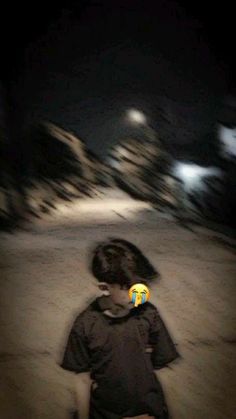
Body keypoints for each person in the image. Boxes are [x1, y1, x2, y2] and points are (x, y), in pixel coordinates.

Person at [60, 238, 180, 419]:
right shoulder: (85, 324)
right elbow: (82, 379)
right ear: (104, 287)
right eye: (128, 288)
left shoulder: (149, 314)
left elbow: (163, 369)